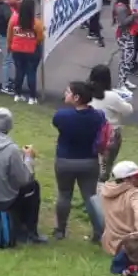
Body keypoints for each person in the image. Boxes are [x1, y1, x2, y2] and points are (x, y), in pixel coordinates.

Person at [0, 107, 47, 244]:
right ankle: (29, 232)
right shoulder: (11, 149)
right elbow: (24, 179)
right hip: (2, 200)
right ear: (9, 126)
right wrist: (28, 158)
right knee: (33, 187)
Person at [51, 81, 105, 240]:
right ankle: (98, 232)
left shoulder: (62, 116)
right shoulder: (98, 116)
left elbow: (57, 124)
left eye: (68, 92)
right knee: (90, 198)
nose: (65, 93)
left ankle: (60, 230)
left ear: (76, 97)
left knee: (64, 194)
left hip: (65, 161)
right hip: (89, 161)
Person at [89, 65, 133, 180]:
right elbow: (128, 110)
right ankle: (101, 183)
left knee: (92, 161)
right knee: (106, 166)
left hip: (91, 131)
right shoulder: (112, 96)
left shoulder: (86, 93)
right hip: (110, 134)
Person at [7, 0, 45, 104]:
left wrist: (9, 47)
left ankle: (17, 95)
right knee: (31, 72)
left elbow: (9, 35)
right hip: (32, 51)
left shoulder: (14, 20)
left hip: (17, 50)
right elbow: (40, 38)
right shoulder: (36, 23)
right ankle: (32, 97)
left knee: (19, 71)